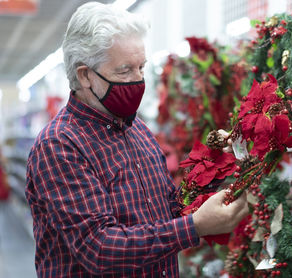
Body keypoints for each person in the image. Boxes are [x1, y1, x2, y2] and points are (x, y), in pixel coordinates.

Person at [25, 2, 249, 277]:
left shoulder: (137, 130)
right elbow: (99, 248)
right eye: (124, 71)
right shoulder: (59, 145)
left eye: (141, 67)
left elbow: (169, 207)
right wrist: (195, 227)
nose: (138, 80)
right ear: (85, 76)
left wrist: (221, 163)